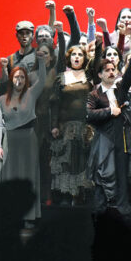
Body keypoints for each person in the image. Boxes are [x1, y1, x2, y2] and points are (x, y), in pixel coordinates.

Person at [86, 34, 131, 216]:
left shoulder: (120, 89)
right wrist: (110, 111)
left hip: (121, 138)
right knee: (101, 175)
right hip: (103, 139)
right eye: (107, 70)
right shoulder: (95, 94)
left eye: (113, 69)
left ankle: (124, 214)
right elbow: (88, 115)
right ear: (100, 74)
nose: (111, 72)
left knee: (122, 175)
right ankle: (99, 215)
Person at [0, 51, 47, 227]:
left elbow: (43, 80)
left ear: (26, 80)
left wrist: (41, 61)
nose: (19, 80)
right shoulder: (2, 99)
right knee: (10, 177)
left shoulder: (31, 93)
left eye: (22, 77)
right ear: (11, 79)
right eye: (16, 77)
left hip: (28, 140)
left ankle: (28, 216)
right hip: (9, 141)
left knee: (27, 177)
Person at [50, 44, 93, 206]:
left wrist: (97, 45)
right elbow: (55, 104)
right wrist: (54, 125)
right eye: (74, 54)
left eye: (80, 55)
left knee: (82, 161)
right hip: (66, 127)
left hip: (85, 126)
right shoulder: (61, 78)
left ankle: (81, 197)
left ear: (84, 58)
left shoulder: (89, 77)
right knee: (66, 162)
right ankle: (66, 197)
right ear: (69, 58)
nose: (77, 57)